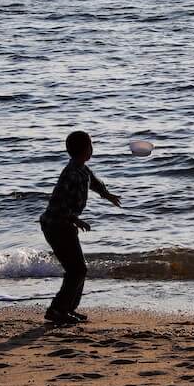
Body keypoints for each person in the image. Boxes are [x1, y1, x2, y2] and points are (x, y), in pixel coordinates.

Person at [40, 130, 121, 325]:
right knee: (76, 270)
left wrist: (107, 195)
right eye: (90, 146)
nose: (92, 149)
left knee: (78, 270)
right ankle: (57, 309)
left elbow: (93, 182)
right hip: (56, 225)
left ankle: (66, 309)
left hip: (64, 225)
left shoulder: (81, 169)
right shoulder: (70, 173)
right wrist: (76, 220)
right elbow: (59, 203)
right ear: (85, 150)